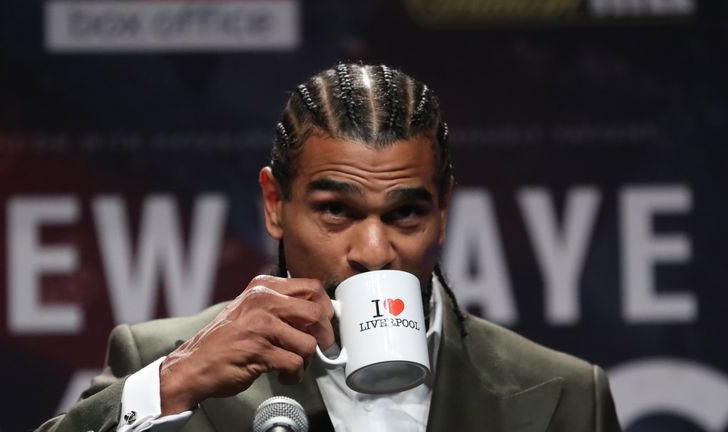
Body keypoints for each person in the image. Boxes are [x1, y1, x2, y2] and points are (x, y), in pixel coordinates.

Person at [36, 63, 621, 432]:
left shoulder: (566, 394)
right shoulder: (161, 362)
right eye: (337, 210)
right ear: (274, 203)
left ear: (443, 211)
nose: (373, 250)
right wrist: (174, 382)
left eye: (406, 213)